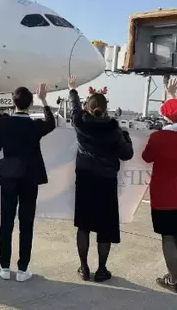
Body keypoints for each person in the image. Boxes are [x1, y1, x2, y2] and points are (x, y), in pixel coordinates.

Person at [69, 75, 134, 282]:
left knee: (84, 226)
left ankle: (83, 268)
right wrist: (126, 137)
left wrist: (73, 90)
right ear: (106, 109)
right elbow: (126, 154)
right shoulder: (114, 130)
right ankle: (102, 270)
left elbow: (75, 110)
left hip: (86, 179)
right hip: (106, 181)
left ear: (87, 107)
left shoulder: (80, 124)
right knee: (105, 227)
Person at [0, 84, 56, 282]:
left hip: (9, 177)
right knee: (26, 223)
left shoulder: (4, 123)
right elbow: (51, 123)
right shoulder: (34, 126)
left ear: (13, 102)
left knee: (6, 222)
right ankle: (22, 269)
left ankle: (4, 266)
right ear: (30, 103)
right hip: (30, 178)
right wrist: (44, 100)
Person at [142, 78, 177, 294]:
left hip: (164, 196)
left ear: (166, 117)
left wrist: (170, 96)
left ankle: (173, 279)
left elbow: (146, 157)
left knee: (167, 237)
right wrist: (174, 96)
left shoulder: (158, 137)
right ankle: (176, 277)